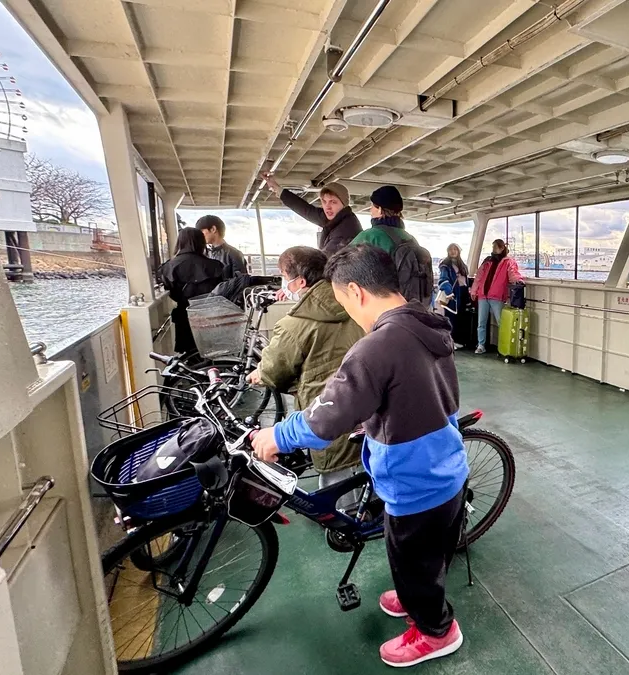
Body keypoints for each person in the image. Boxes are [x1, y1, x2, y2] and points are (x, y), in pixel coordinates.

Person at [252, 245, 467, 667]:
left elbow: (323, 421)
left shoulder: (377, 346)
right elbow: (414, 391)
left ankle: (437, 630)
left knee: (411, 555)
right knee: (423, 554)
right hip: (444, 464)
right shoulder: (428, 322)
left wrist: (276, 434)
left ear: (356, 291)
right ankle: (414, 594)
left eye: (344, 301)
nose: (348, 311)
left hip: (414, 481)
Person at [247, 246, 364, 502]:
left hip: (326, 412)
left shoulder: (295, 323)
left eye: (282, 276)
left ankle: (345, 521)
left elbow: (275, 372)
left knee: (336, 477)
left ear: (299, 282)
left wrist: (260, 373)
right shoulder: (357, 304)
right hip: (367, 406)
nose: (282, 283)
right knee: (366, 465)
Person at [159, 227, 227, 355]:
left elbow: (170, 291)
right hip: (210, 317)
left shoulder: (168, 266)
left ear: (180, 242)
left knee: (188, 357)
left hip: (184, 318)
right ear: (201, 242)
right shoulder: (215, 266)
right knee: (213, 356)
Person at [260, 173, 362, 255]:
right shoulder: (336, 217)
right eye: (324, 201)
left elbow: (325, 260)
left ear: (344, 204)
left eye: (333, 202)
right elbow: (305, 210)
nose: (327, 207)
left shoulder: (347, 229)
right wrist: (277, 188)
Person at [470, 239, 522, 354]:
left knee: (501, 323)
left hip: (497, 296)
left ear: (502, 248)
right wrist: (474, 291)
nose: (493, 249)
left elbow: (513, 273)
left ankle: (504, 346)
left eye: (496, 247)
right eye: (493, 247)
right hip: (483, 295)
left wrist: (518, 281)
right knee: (481, 323)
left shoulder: (508, 262)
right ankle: (481, 345)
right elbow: (479, 277)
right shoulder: (487, 261)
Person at [350, 185, 415, 254]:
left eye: (372, 206)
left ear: (380, 210)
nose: (370, 210)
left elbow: (344, 260)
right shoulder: (410, 239)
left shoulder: (370, 236)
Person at [437, 243, 469, 348]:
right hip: (452, 293)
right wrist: (449, 292)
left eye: (455, 249)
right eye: (451, 249)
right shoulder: (445, 265)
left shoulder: (462, 265)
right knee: (451, 317)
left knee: (460, 317)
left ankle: (455, 340)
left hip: (462, 292)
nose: (453, 251)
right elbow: (443, 279)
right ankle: (449, 341)